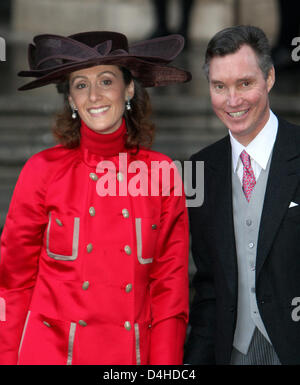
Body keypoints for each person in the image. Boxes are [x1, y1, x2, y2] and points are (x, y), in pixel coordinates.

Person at [0, 31, 191, 365]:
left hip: (129, 357)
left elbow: (170, 291)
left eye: (106, 80)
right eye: (80, 85)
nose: (93, 96)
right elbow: (11, 285)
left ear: (129, 88)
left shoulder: (161, 174)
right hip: (50, 355)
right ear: (71, 100)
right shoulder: (42, 171)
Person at [184, 25, 300, 365]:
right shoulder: (201, 169)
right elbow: (208, 287)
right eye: (220, 86)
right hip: (230, 352)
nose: (232, 100)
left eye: (244, 83)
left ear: (270, 78)